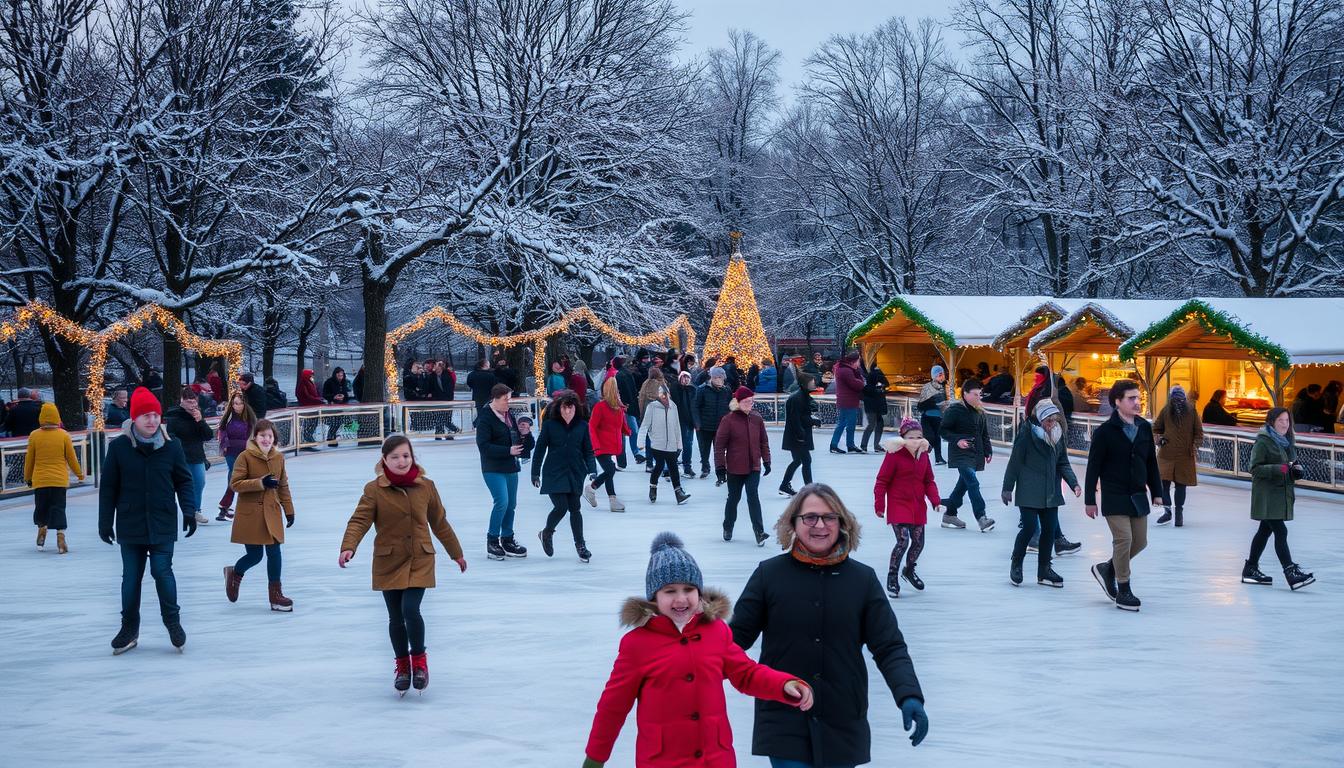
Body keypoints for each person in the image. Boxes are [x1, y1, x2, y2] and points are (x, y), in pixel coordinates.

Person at [731, 485, 928, 767]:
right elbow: (731, 641)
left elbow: (888, 646)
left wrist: (909, 695)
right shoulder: (769, 575)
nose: (820, 525)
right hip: (784, 717)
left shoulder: (862, 580)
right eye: (810, 517)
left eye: (829, 517)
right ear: (794, 523)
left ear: (842, 523)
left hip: (842, 718)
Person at [582, 532, 813, 768]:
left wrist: (784, 684)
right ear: (654, 597)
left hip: (716, 758)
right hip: (664, 761)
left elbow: (746, 674)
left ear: (699, 593)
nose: (681, 599)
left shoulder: (717, 632)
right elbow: (613, 707)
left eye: (689, 589)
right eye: (670, 591)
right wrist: (595, 759)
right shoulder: (637, 644)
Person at [340, 435, 466, 694]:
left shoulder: (426, 486)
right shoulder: (374, 489)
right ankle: (403, 668)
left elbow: (439, 523)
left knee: (411, 609)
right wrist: (349, 546)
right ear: (384, 459)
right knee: (395, 617)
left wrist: (456, 553)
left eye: (406, 456)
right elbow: (359, 520)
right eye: (395, 457)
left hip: (420, 558)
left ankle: (419, 663)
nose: (401, 461)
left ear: (413, 457)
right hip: (389, 559)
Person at [98, 388, 196, 655]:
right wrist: (105, 522)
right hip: (130, 523)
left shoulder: (171, 445)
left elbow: (184, 481)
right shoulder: (119, 447)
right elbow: (108, 488)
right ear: (135, 418)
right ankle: (129, 627)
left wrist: (189, 510)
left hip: (163, 520)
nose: (152, 420)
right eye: (145, 415)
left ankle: (173, 622)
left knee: (162, 572)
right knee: (131, 577)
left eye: (155, 415)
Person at [1084, 379, 1164, 612]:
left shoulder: (1144, 427)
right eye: (1131, 398)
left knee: (1140, 541)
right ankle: (1124, 588)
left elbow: (1150, 461)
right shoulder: (1105, 432)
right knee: (1124, 540)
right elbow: (1093, 467)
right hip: (1114, 494)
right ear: (1117, 402)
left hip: (1138, 494)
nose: (1137, 402)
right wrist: (1090, 499)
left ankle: (1108, 568)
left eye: (1138, 398)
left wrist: (1157, 492)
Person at [1002, 400, 1080, 588]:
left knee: (1049, 530)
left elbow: (1063, 462)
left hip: (1051, 491)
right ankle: (1016, 562)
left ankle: (1044, 569)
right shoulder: (1027, 434)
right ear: (1040, 418)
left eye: (1054, 420)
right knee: (1029, 528)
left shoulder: (1057, 435)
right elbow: (1015, 462)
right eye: (1048, 420)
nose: (1051, 424)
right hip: (1029, 489)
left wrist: (1074, 483)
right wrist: (1007, 488)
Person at [223, 419, 296, 612]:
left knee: (274, 552)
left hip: (271, 513)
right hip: (251, 514)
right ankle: (234, 573)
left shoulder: (278, 458)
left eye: (270, 436)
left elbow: (283, 486)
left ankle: (275, 595)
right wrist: (260, 483)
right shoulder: (245, 457)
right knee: (255, 556)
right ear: (255, 437)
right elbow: (235, 484)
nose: (266, 439)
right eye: (262, 435)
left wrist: (289, 510)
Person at [1242, 408, 1315, 590]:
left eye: (1287, 421)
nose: (1285, 424)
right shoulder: (1264, 441)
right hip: (1267, 495)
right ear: (1272, 422)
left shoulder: (1286, 442)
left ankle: (1250, 569)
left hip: (1280, 494)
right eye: (1281, 421)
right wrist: (1281, 469)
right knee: (1280, 532)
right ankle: (1290, 572)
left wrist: (1295, 472)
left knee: (1264, 531)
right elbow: (1255, 468)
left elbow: (1289, 466)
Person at [875, 419, 940, 598]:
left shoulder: (924, 455)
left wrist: (935, 501)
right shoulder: (894, 454)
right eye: (911, 437)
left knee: (919, 542)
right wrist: (880, 504)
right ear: (903, 438)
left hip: (917, 505)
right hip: (898, 504)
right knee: (903, 541)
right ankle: (892, 576)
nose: (915, 441)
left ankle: (909, 570)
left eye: (919, 437)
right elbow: (882, 481)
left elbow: (929, 481)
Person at [531, 389, 598, 562]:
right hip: (554, 472)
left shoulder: (582, 426)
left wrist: (592, 469)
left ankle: (580, 545)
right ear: (558, 408)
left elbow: (588, 451)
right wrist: (535, 473)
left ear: (576, 408)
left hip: (575, 472)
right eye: (564, 408)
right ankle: (547, 533)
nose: (567, 412)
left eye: (571, 408)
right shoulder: (550, 425)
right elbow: (539, 450)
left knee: (575, 508)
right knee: (561, 507)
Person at [476, 383, 527, 561]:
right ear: (495, 399)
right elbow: (483, 446)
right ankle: (492, 540)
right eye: (506, 399)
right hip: (492, 468)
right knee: (502, 502)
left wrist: (524, 434)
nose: (508, 402)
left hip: (510, 466)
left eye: (509, 398)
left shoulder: (509, 416)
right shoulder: (485, 418)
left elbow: (516, 440)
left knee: (511, 504)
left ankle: (507, 539)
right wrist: (507, 451)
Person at [25, 402, 84, 554]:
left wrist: (27, 477)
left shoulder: (34, 435)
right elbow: (72, 458)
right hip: (59, 481)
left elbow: (29, 460)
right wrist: (79, 474)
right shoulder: (64, 435)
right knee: (58, 507)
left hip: (40, 480)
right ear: (57, 417)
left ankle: (42, 530)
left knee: (42, 506)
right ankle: (60, 537)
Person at [715, 386, 771, 546]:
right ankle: (728, 527)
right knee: (734, 498)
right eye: (746, 402)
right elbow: (719, 446)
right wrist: (720, 467)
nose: (749, 405)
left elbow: (763, 442)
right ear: (738, 403)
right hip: (735, 467)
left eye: (751, 402)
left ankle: (759, 532)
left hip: (754, 466)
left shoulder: (756, 418)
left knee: (753, 496)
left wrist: (766, 460)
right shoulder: (728, 420)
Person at [940, 379, 996, 532]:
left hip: (975, 453)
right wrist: (957, 440)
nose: (979, 397)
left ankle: (950, 513)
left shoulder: (979, 410)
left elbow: (984, 433)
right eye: (975, 394)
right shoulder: (955, 410)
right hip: (960, 454)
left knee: (963, 485)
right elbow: (943, 430)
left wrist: (988, 450)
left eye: (980, 394)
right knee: (973, 483)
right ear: (965, 394)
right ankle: (981, 517)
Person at [1153, 384, 1203, 527]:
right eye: (1175, 399)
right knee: (1164, 485)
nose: (1177, 402)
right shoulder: (1167, 411)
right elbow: (1156, 427)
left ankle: (1178, 514)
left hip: (1184, 456)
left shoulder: (1191, 411)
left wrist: (1194, 446)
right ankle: (1168, 512)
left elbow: (1198, 432)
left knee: (1180, 486)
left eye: (1180, 399)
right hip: (1167, 454)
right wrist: (1160, 439)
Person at [164, 389, 215, 527]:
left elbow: (208, 435)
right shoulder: (173, 416)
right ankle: (178, 509)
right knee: (180, 485)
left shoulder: (198, 415)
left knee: (199, 482)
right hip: (180, 457)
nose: (192, 404)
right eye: (188, 401)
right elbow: (170, 436)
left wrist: (200, 421)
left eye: (194, 401)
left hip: (197, 455)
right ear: (182, 401)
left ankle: (195, 510)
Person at [636, 384, 691, 505]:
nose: (665, 397)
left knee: (673, 467)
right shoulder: (652, 407)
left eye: (667, 394)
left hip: (671, 443)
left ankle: (678, 493)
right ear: (659, 396)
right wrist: (640, 443)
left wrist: (679, 444)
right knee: (659, 466)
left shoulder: (673, 406)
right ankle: (653, 487)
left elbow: (677, 427)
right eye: (662, 395)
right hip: (657, 444)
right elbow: (644, 425)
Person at [587, 378, 632, 513]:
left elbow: (620, 425)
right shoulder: (600, 407)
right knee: (610, 470)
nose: (618, 393)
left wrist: (628, 430)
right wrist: (595, 445)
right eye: (616, 390)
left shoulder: (618, 407)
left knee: (609, 473)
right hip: (601, 446)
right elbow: (592, 427)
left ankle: (612, 501)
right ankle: (591, 488)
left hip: (612, 444)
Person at [778, 373, 822, 498]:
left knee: (798, 461)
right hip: (797, 436)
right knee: (805, 460)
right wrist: (812, 422)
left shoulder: (803, 396)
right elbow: (796, 419)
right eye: (811, 383)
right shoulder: (797, 398)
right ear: (804, 384)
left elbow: (803, 414)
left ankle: (785, 485)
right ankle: (809, 489)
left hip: (799, 435)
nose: (813, 385)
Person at [215, 392, 256, 521]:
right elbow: (221, 430)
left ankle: (228, 507)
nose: (237, 406)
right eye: (235, 403)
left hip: (245, 451)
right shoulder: (228, 417)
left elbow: (253, 434)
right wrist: (225, 442)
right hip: (231, 451)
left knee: (239, 477)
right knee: (234, 476)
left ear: (245, 404)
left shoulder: (249, 418)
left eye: (240, 403)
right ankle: (224, 507)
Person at [693, 365, 732, 481]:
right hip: (704, 426)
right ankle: (705, 467)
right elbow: (695, 407)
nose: (721, 381)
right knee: (704, 450)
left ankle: (720, 470)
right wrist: (697, 423)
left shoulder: (726, 390)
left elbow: (730, 406)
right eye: (718, 378)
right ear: (713, 378)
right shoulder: (702, 389)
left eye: (722, 378)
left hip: (720, 426)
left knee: (719, 450)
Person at [829, 352, 865, 454]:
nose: (859, 364)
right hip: (847, 401)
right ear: (853, 361)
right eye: (858, 361)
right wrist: (861, 381)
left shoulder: (845, 369)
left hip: (847, 400)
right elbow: (856, 384)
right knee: (843, 423)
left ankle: (849, 445)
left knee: (849, 424)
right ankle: (835, 445)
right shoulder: (846, 371)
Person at [668, 370, 697, 478]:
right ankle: (671, 466)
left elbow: (695, 406)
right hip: (678, 420)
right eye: (683, 378)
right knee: (679, 445)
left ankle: (687, 467)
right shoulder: (675, 388)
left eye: (687, 378)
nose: (685, 380)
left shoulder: (693, 389)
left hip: (689, 421)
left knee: (688, 444)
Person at [916, 366, 948, 464]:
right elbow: (920, 405)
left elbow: (943, 402)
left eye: (942, 374)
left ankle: (938, 458)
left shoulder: (942, 387)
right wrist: (935, 404)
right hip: (927, 417)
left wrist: (944, 406)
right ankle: (920, 455)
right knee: (930, 437)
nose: (942, 376)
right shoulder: (927, 387)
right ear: (934, 376)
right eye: (939, 374)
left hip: (938, 417)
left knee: (937, 437)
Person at [859, 362, 889, 451]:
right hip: (876, 406)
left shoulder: (867, 383)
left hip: (871, 406)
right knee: (876, 424)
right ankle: (872, 445)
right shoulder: (878, 375)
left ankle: (866, 445)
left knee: (873, 424)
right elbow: (886, 383)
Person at [323, 367, 352, 445]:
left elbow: (346, 394)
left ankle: (333, 437)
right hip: (332, 405)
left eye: (341, 375)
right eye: (339, 375)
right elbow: (325, 394)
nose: (340, 377)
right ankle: (330, 438)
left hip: (342, 405)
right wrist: (333, 397)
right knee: (334, 422)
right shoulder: (328, 382)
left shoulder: (344, 382)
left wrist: (343, 396)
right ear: (335, 375)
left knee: (339, 422)